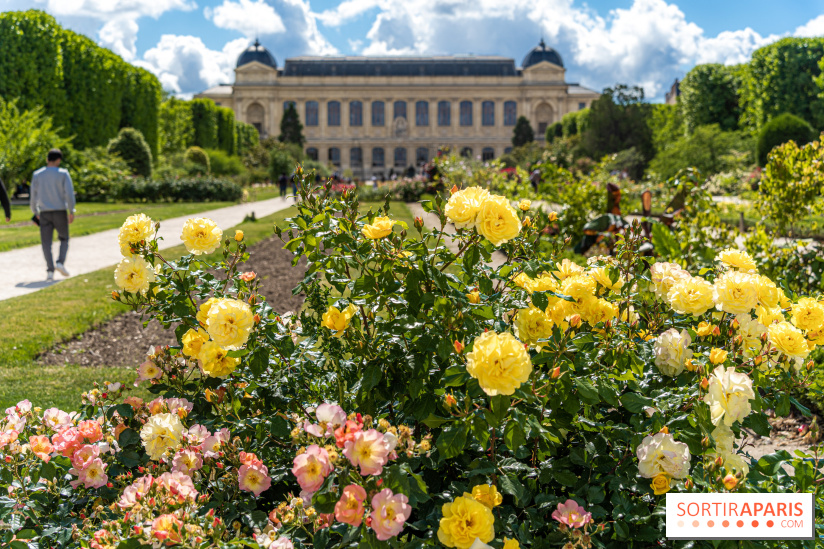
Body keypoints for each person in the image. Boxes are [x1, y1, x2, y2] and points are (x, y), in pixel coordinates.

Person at [30, 148, 75, 281]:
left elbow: (33, 196)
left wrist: (35, 211)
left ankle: (50, 270)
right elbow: (69, 194)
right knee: (64, 238)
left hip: (44, 212)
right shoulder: (63, 173)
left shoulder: (37, 174)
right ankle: (60, 262)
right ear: (59, 160)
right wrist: (71, 211)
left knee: (46, 243)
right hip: (60, 211)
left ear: (47, 159)